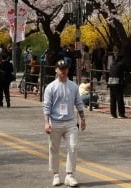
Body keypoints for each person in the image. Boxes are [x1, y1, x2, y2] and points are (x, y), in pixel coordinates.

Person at [43, 57, 85, 187]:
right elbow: (46, 106)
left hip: (70, 122)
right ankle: (56, 174)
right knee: (54, 149)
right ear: (56, 70)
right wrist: (46, 122)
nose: (63, 71)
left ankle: (70, 175)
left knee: (73, 147)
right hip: (55, 122)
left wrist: (83, 118)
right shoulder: (51, 87)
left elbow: (78, 102)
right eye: (60, 69)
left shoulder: (73, 86)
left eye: (65, 69)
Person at [107, 53, 130, 119]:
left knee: (112, 99)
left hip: (111, 82)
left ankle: (113, 114)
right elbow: (128, 70)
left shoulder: (112, 64)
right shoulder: (121, 64)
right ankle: (121, 114)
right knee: (119, 98)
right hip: (118, 83)